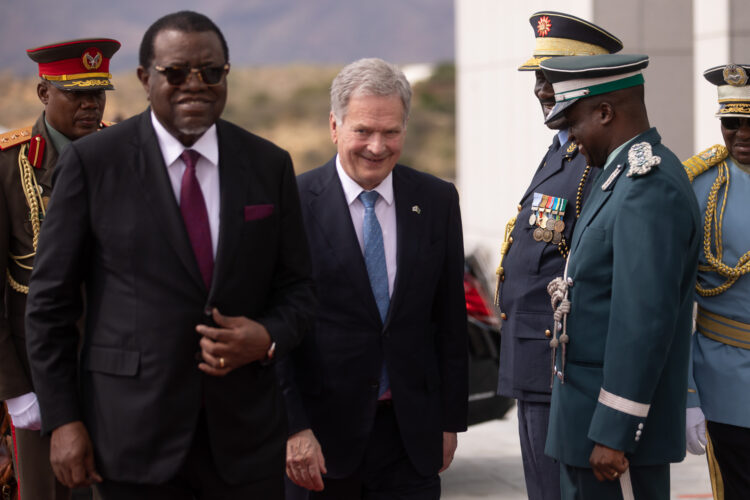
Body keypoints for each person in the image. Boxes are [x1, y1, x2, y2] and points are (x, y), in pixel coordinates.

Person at [24, 11, 314, 500]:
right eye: (176, 73)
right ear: (144, 79)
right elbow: (49, 306)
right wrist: (64, 420)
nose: (194, 85)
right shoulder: (94, 163)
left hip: (244, 443)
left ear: (227, 75)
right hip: (129, 441)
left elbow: (300, 290)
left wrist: (267, 336)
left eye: (211, 72)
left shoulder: (269, 165)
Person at [277, 58, 468, 499]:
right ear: (334, 127)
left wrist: (448, 422)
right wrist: (293, 427)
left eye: (391, 132)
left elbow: (448, 321)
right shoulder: (292, 203)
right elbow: (277, 330)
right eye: (363, 130)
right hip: (319, 445)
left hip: (410, 440)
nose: (377, 146)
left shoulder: (436, 200)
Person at [538, 54, 700, 499]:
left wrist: (616, 431)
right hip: (586, 426)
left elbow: (643, 321)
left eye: (574, 124)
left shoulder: (648, 185)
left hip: (612, 443)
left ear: (605, 112)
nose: (571, 138)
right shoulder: (617, 176)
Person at [495, 12, 622, 500]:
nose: (541, 90)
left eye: (553, 78)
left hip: (562, 360)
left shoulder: (598, 161)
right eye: (539, 78)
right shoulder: (561, 149)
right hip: (534, 356)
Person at [0, 37, 120, 500]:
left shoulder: (123, 157)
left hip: (116, 375)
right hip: (38, 380)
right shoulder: (10, 168)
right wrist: (15, 392)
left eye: (98, 92)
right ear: (44, 94)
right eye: (76, 93)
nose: (91, 105)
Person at [683, 63, 750, 500]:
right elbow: (671, 301)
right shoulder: (699, 186)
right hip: (728, 383)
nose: (741, 136)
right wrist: (688, 395)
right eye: (731, 124)